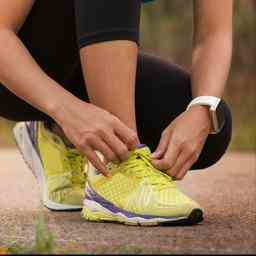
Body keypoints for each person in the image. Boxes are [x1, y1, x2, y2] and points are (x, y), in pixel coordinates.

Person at [0, 0, 233, 226]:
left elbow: (213, 35)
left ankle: (56, 136)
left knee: (212, 132)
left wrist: (202, 108)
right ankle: (119, 169)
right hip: (12, 73)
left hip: (76, 62)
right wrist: (65, 109)